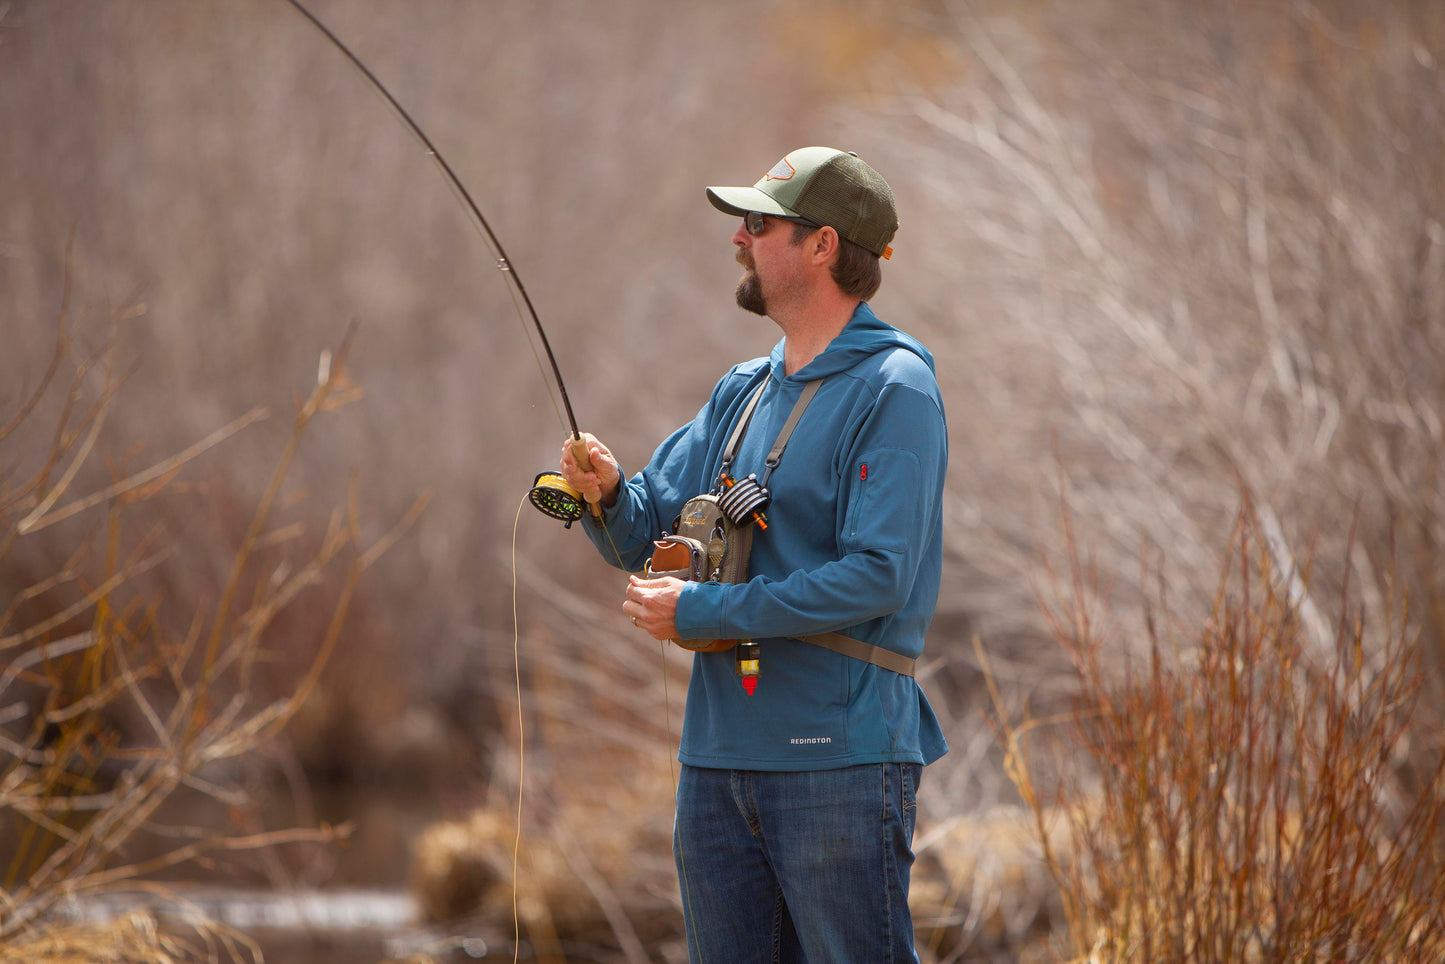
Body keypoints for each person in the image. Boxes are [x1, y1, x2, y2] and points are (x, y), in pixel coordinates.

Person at [558, 146, 948, 963]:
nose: (738, 238)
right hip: (716, 762)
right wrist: (605, 493)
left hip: (838, 763)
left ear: (822, 246)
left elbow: (879, 575)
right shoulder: (742, 389)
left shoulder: (895, 388)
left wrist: (702, 611)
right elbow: (644, 529)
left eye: (759, 224)